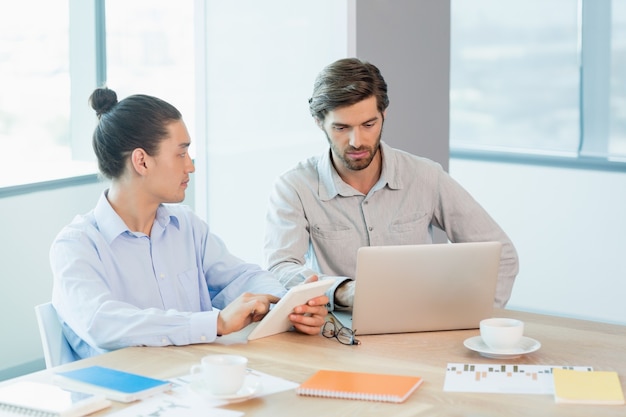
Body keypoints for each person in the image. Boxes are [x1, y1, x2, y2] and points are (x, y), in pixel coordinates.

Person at [50, 87, 328, 360]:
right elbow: (102, 323)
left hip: (190, 384)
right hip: (119, 396)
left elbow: (241, 277)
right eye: (181, 153)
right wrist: (215, 323)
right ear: (141, 161)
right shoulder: (76, 245)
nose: (190, 166)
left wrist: (289, 305)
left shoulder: (185, 225)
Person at [264, 58, 519, 311]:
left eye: (369, 124)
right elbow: (280, 268)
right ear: (320, 123)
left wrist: (479, 321)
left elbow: (502, 256)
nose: (357, 141)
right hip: (336, 334)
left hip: (419, 328)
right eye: (342, 127)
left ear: (383, 115)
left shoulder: (425, 176)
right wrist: (341, 290)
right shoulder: (294, 187)